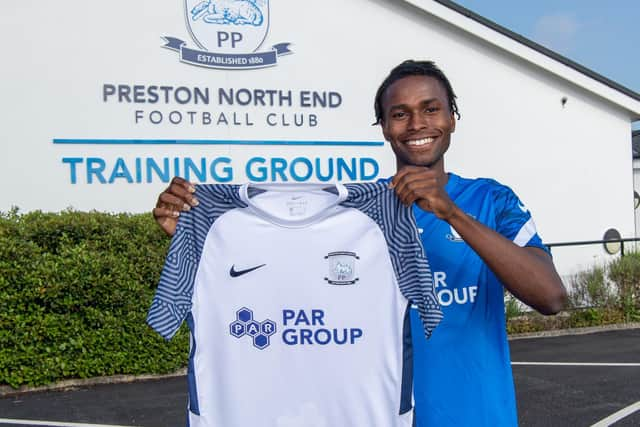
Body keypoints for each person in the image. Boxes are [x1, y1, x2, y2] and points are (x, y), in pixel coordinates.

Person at [153, 59, 567, 426]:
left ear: (453, 117)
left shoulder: (493, 200)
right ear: (385, 127)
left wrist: (451, 212)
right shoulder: (351, 216)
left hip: (474, 415)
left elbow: (550, 297)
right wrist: (206, 243)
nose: (417, 124)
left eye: (431, 109)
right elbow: (284, 289)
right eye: (400, 114)